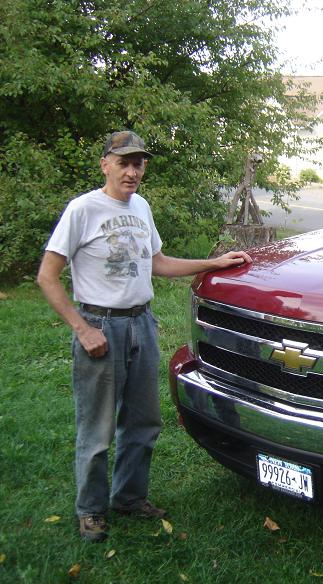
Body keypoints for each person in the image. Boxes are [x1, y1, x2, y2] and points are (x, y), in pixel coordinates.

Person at [36, 130, 252, 542]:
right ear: (105, 164)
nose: (132, 172)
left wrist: (215, 262)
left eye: (138, 164)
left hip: (141, 324)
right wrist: (82, 330)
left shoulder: (142, 208)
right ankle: (92, 510)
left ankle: (130, 497)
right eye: (124, 163)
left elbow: (159, 263)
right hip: (100, 326)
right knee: (96, 428)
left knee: (144, 421)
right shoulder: (83, 209)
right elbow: (47, 277)